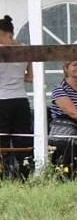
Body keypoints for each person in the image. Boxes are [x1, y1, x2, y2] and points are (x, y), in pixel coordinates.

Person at [0, 15, 33, 178]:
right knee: (23, 137)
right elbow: (30, 78)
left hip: (2, 100)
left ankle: (5, 172)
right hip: (21, 99)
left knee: (3, 139)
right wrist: (17, 77)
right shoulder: (25, 49)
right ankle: (23, 172)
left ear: (8, 35)